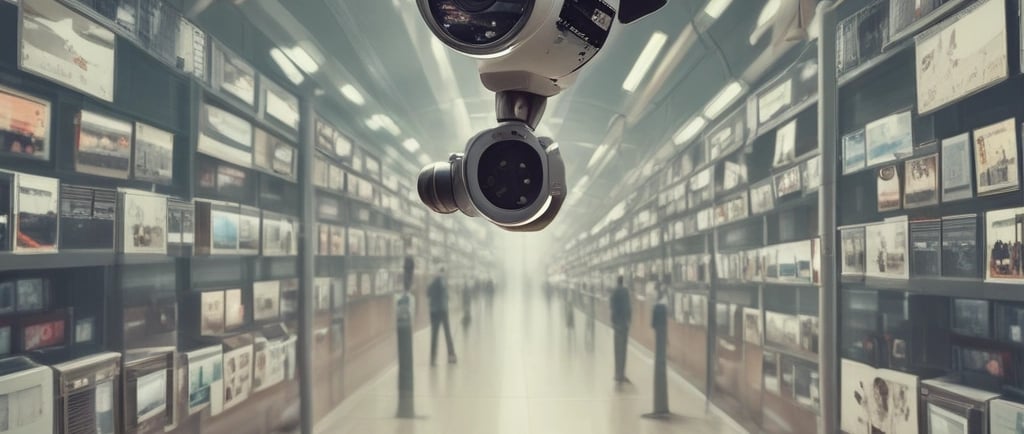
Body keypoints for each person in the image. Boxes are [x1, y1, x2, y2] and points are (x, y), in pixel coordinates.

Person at [427, 267, 456, 365]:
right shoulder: (441, 280)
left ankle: (433, 359)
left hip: (434, 311)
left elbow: (428, 293)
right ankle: (451, 356)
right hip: (442, 310)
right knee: (447, 333)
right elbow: (445, 293)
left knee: (434, 335)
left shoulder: (433, 282)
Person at [610, 275, 632, 383]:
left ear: (617, 281)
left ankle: (617, 374)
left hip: (617, 324)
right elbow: (628, 307)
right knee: (623, 350)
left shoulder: (614, 292)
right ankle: (622, 374)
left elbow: (611, 307)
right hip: (624, 324)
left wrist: (613, 321)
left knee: (617, 350)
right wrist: (629, 320)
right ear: (623, 281)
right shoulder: (626, 292)